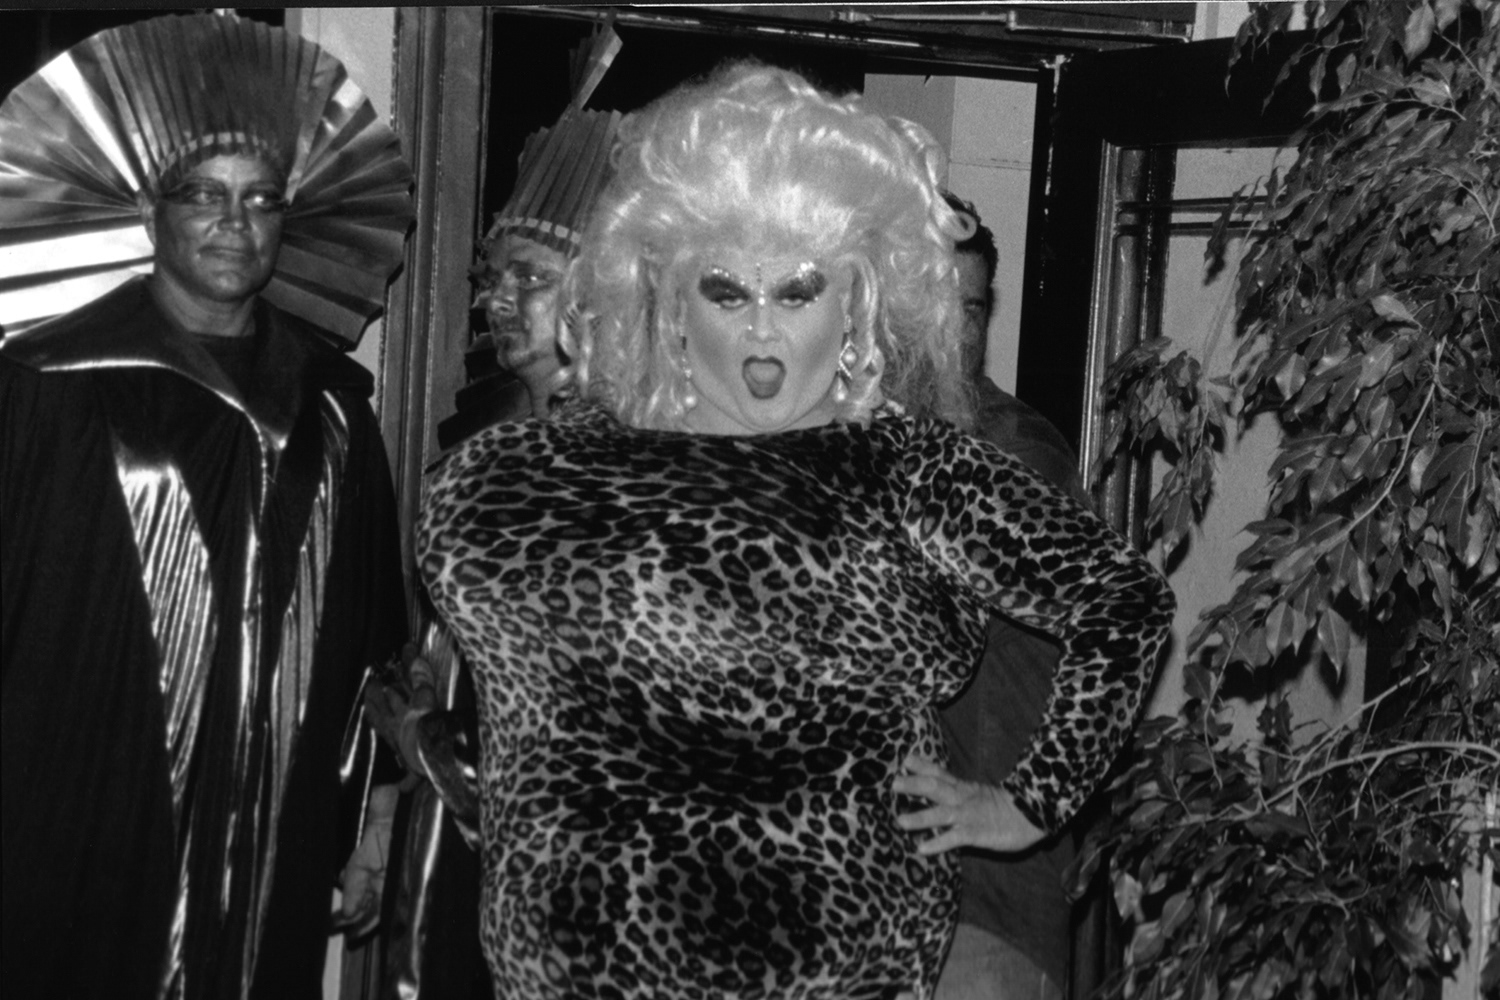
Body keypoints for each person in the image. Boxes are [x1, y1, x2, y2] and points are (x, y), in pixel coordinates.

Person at [416, 61, 1174, 1000]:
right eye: (728, 292)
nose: (763, 332)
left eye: (798, 291)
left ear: (856, 305)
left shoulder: (908, 468)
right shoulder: (543, 471)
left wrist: (1027, 804)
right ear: (671, 302)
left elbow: (1122, 603)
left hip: (837, 972)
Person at [0, 14, 412, 998]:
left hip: (272, 826)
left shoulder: (331, 409)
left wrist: (375, 819)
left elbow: (373, 640)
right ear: (151, 215)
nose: (236, 221)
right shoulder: (50, 384)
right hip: (74, 813)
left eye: (261, 199)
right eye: (204, 195)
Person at [934, 194, 1089, 1000]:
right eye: (932, 303)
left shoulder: (1012, 456)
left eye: (971, 308)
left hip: (983, 919)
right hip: (890, 909)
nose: (954, 332)